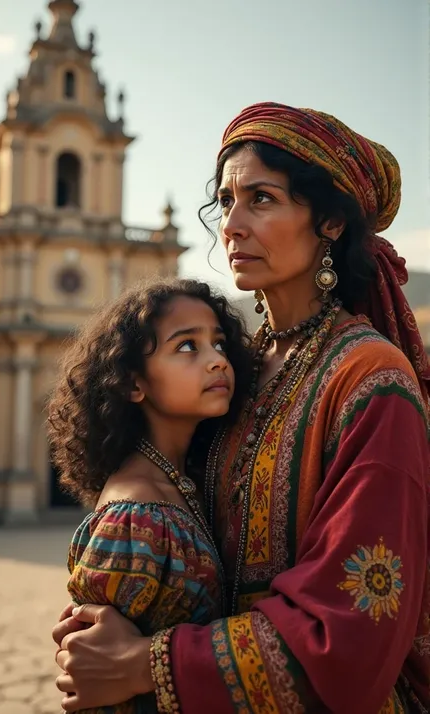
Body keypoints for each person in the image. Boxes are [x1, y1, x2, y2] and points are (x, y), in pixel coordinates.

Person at [53, 102, 430, 714]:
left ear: (330, 222)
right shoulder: (236, 372)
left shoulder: (370, 379)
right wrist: (102, 614)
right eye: (226, 201)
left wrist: (144, 664)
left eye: (261, 199)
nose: (231, 224)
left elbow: (353, 626)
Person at [48, 278, 252, 713]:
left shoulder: (181, 480)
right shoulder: (134, 518)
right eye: (186, 347)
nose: (217, 360)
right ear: (133, 383)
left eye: (218, 343)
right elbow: (93, 675)